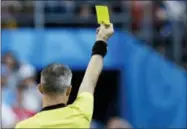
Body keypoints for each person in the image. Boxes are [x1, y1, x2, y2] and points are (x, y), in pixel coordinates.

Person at [15, 23, 114, 128]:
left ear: (40, 88)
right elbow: (90, 80)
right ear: (68, 90)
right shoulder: (80, 114)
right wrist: (102, 39)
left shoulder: (24, 126)